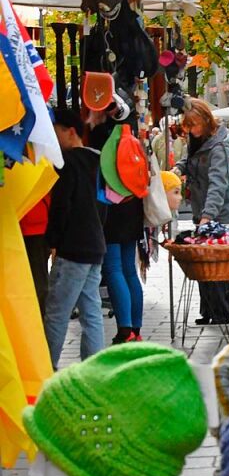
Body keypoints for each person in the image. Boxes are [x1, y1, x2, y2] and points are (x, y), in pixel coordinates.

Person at [44, 109, 106, 368]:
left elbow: (61, 206)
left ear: (70, 132)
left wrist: (53, 241)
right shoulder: (99, 160)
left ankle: (46, 369)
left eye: (56, 132)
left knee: (57, 312)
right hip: (95, 245)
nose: (53, 138)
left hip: (73, 248)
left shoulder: (67, 163)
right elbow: (105, 204)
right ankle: (93, 370)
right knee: (91, 311)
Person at [177, 98, 229, 325]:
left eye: (194, 125)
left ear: (205, 120)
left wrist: (207, 217)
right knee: (203, 261)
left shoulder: (219, 145)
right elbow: (190, 159)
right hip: (202, 206)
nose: (191, 130)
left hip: (218, 210)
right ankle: (209, 310)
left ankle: (221, 312)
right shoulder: (197, 139)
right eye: (188, 126)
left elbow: (218, 183)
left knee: (215, 263)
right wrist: (179, 167)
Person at [103, 191, 144, 344]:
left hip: (110, 204)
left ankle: (125, 330)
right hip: (133, 203)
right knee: (129, 270)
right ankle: (135, 329)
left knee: (113, 268)